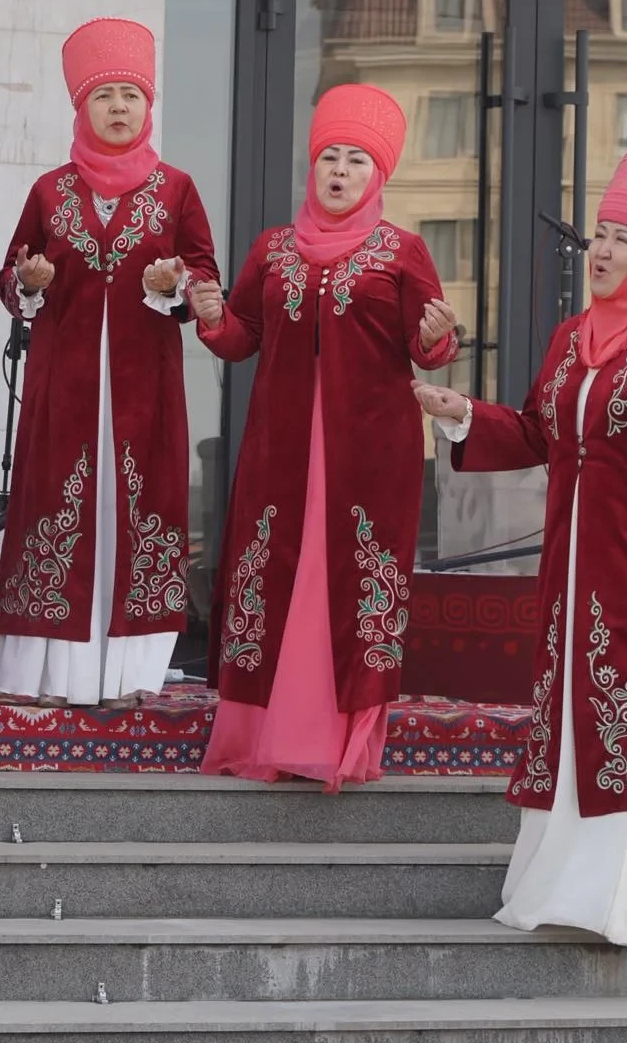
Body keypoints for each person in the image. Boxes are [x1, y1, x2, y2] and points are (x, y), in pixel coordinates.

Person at [414, 144, 627, 946]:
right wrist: (460, 411)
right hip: (575, 562)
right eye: (598, 234)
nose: (601, 250)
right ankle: (557, 887)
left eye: (622, 238)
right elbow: (538, 431)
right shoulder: (571, 339)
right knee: (572, 709)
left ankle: (619, 899)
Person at [189, 83, 457, 790]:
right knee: (276, 575)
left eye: (357, 162)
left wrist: (437, 340)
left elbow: (427, 348)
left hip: (368, 452)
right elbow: (241, 337)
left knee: (348, 583)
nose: (339, 171)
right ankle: (262, 732)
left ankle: (340, 741)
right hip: (280, 447)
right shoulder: (274, 250)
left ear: (378, 178)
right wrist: (213, 316)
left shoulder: (403, 251)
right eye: (330, 159)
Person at [0, 17, 218, 708]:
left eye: (131, 94)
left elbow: (205, 274)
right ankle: (46, 673)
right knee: (58, 507)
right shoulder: (51, 192)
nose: (119, 107)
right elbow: (11, 279)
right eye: (104, 95)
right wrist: (30, 283)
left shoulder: (176, 189)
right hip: (67, 384)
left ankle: (132, 675)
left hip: (145, 385)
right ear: (81, 109)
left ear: (148, 108)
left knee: (137, 508)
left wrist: (169, 288)